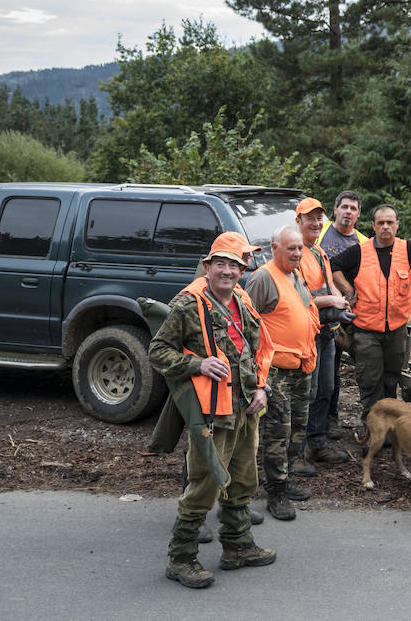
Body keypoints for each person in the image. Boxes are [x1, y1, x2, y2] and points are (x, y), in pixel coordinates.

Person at [149, 232, 275, 589]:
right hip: (211, 411)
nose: (227, 271)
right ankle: (181, 558)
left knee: (244, 480)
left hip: (247, 407)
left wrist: (263, 388)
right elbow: (157, 351)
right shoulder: (188, 304)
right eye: (220, 263)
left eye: (233, 265)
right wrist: (198, 364)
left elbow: (260, 348)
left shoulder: (242, 298)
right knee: (204, 484)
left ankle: (237, 547)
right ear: (208, 266)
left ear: (242, 269)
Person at [330, 205, 411, 422]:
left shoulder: (408, 249)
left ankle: (389, 430)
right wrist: (347, 290)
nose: (385, 227)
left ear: (397, 225)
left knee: (391, 382)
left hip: (396, 332)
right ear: (373, 225)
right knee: (370, 382)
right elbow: (333, 264)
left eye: (390, 222)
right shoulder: (360, 251)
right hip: (366, 331)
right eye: (380, 222)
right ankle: (372, 432)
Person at [245, 226, 320, 521]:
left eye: (300, 248)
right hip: (274, 371)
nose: (297, 253)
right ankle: (275, 493)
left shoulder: (295, 273)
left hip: (301, 368)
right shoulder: (263, 277)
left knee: (297, 429)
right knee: (278, 432)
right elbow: (247, 324)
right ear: (275, 248)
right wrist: (256, 376)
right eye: (291, 248)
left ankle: (285, 480)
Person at [293, 197, 352, 468]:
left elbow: (329, 286)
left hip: (326, 331)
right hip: (307, 334)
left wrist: (341, 299)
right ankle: (299, 451)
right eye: (310, 219)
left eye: (319, 218)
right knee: (308, 391)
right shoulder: (295, 253)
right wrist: (331, 302)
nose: (316, 223)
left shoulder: (318, 252)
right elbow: (295, 299)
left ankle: (316, 445)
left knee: (326, 390)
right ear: (299, 221)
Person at [316, 190, 366, 439]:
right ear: (334, 210)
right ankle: (327, 419)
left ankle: (340, 418)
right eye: (344, 207)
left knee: (362, 366)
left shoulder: (364, 242)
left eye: (353, 208)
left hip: (353, 315)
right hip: (322, 311)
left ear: (358, 214)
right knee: (329, 368)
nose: (348, 212)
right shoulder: (320, 234)